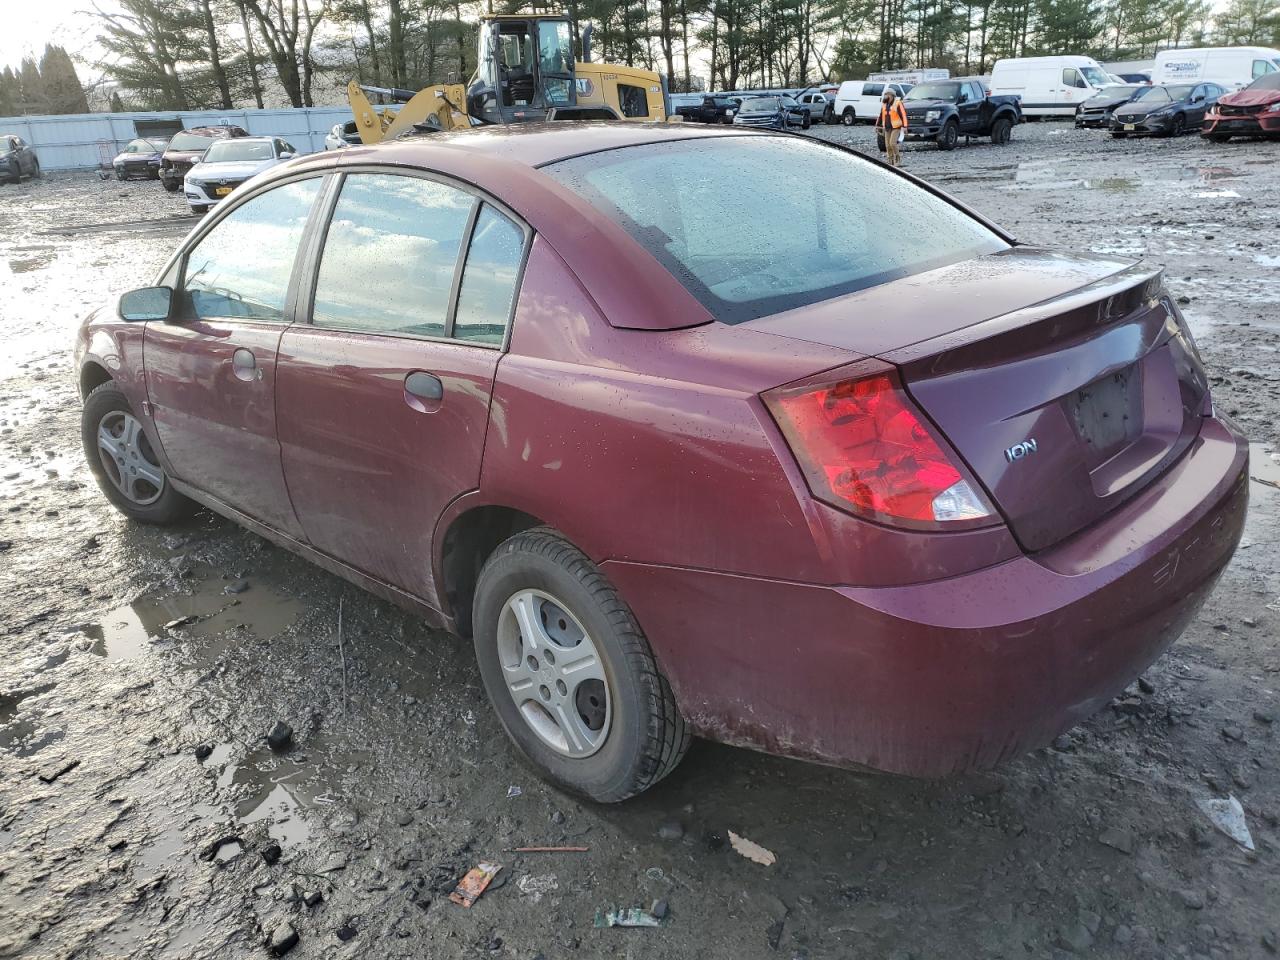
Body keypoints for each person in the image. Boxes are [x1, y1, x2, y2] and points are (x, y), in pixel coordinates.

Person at [876, 89, 908, 167]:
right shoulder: (884, 104)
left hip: (896, 127)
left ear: (891, 95)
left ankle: (897, 159)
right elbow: (880, 115)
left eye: (887, 94)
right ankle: (890, 161)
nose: (885, 96)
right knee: (887, 145)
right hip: (887, 127)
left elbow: (903, 115)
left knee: (892, 143)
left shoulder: (898, 103)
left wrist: (905, 126)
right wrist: (877, 125)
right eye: (885, 94)